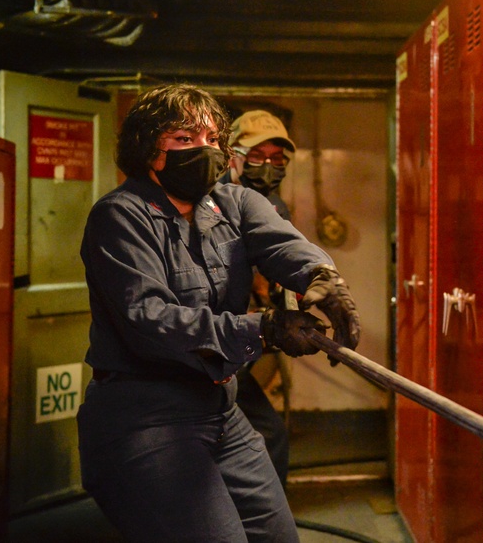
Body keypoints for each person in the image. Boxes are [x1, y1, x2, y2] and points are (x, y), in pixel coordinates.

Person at [76, 84, 360, 543]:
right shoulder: (119, 217)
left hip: (220, 410)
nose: (203, 150)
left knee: (277, 536)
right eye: (185, 139)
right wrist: (264, 329)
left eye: (212, 140)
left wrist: (323, 279)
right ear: (149, 148)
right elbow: (149, 319)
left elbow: (283, 244)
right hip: (147, 419)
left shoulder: (234, 202)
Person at [226, 109, 298, 487]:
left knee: (267, 434)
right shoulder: (208, 201)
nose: (268, 167)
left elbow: (283, 258)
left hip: (239, 336)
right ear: (232, 154)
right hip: (206, 343)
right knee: (267, 434)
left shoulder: (274, 204)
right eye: (257, 157)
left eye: (276, 159)